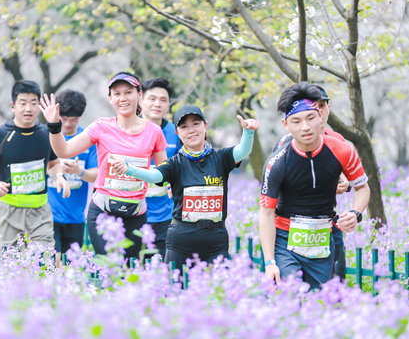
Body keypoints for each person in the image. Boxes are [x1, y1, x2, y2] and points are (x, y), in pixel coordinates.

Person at [112, 104, 259, 268]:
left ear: (205, 125)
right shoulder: (175, 163)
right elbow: (154, 175)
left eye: (196, 124)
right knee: (174, 290)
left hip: (216, 241)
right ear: (177, 133)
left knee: (219, 289)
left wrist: (248, 132)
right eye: (184, 126)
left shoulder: (221, 158)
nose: (191, 130)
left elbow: (242, 151)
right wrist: (129, 169)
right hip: (181, 242)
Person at [39, 71, 168, 259]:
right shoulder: (101, 127)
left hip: (136, 212)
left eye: (128, 92)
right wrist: (53, 125)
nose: (122, 98)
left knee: (129, 271)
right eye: (117, 94)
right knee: (110, 268)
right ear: (110, 99)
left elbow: (162, 173)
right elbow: (63, 151)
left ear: (139, 95)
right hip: (103, 211)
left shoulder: (154, 132)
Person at [259, 82, 370, 289]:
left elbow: (362, 187)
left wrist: (356, 213)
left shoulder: (343, 150)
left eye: (310, 118)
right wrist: (269, 262)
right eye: (296, 121)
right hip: (285, 241)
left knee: (320, 304)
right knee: (290, 296)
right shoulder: (276, 163)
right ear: (286, 125)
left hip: (322, 240)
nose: (305, 127)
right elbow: (266, 214)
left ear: (321, 116)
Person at [0, 80, 71, 254]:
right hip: (9, 210)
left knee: (44, 260)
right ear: (13, 105)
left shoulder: (46, 134)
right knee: (12, 264)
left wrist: (59, 177)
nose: (28, 109)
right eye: (23, 103)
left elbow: (53, 164)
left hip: (40, 210)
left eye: (34, 103)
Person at [273, 85, 350, 279]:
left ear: (327, 110)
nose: (320, 111)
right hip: (292, 228)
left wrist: (345, 185)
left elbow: (351, 177)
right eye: (316, 106)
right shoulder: (285, 144)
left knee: (334, 283)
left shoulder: (338, 141)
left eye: (323, 106)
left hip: (328, 225)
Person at [47, 90, 98, 266]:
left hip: (75, 216)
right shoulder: (48, 136)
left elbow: (95, 175)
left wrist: (78, 171)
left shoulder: (87, 140)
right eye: (63, 118)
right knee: (50, 265)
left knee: (72, 267)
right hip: (49, 214)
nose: (67, 124)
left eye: (73, 119)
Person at [140, 77, 180, 257]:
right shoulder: (127, 128)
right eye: (152, 98)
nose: (158, 104)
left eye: (163, 100)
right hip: (132, 213)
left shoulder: (176, 132)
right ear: (140, 100)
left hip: (166, 216)